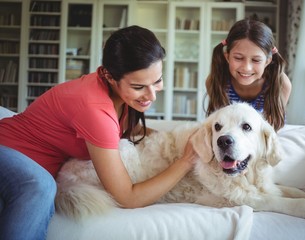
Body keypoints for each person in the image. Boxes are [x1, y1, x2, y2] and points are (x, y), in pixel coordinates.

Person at [0, 25, 197, 240]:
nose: (152, 95)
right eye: (139, 87)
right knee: (41, 187)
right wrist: (186, 161)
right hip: (6, 150)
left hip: (23, 162)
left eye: (157, 81)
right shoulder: (95, 110)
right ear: (109, 76)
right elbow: (127, 197)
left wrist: (171, 141)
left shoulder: (117, 97)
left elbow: (129, 130)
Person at [205, 19, 292, 131]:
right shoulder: (215, 81)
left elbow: (272, 129)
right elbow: (217, 126)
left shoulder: (281, 84)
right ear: (227, 57)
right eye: (238, 58)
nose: (246, 67)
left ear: (267, 61)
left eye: (256, 60)